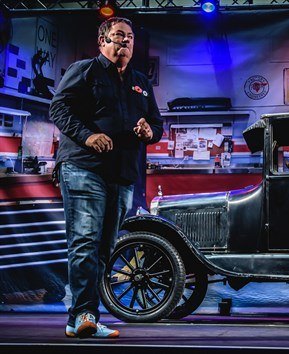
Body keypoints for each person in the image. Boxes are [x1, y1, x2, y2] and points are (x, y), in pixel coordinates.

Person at [49, 17, 163, 338]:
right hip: (84, 166)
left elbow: (157, 124)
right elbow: (59, 108)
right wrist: (87, 136)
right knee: (85, 241)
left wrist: (150, 131)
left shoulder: (141, 82)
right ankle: (84, 313)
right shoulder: (84, 70)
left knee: (103, 248)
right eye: (117, 36)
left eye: (128, 38)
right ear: (102, 42)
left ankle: (81, 318)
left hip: (122, 174)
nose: (124, 42)